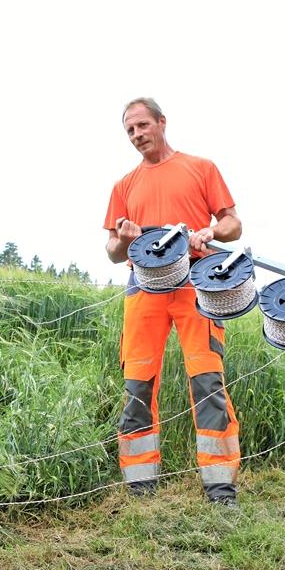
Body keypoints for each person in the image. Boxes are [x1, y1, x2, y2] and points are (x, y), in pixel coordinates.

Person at [103, 98, 244, 505]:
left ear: (162, 122)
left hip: (196, 285)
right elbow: (113, 251)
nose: (137, 135)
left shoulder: (200, 168)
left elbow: (233, 224)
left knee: (206, 382)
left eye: (142, 125)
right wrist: (124, 239)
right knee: (136, 386)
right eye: (130, 131)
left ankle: (221, 488)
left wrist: (210, 231)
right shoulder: (123, 186)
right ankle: (140, 487)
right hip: (143, 289)